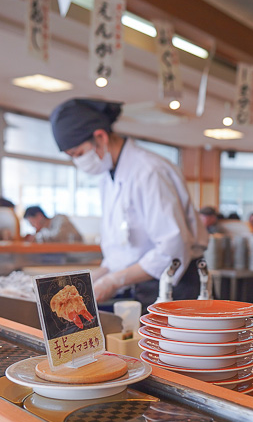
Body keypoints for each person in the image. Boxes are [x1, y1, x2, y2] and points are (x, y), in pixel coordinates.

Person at [49, 98, 207, 305]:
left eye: (78, 154)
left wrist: (113, 281)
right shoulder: (107, 178)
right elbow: (122, 251)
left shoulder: (149, 171)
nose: (78, 161)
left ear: (100, 137)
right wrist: (90, 280)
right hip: (141, 286)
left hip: (173, 287)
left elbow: (172, 250)